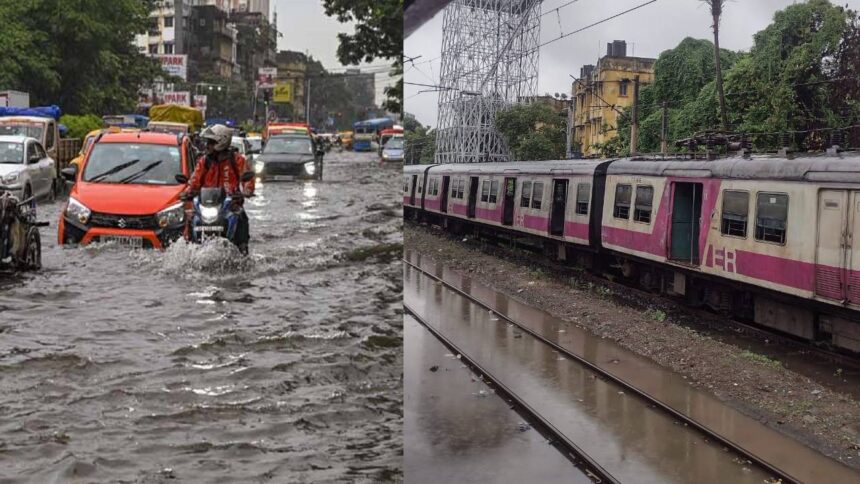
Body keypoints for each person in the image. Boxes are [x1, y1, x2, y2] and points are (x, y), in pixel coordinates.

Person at [183, 124, 252, 253]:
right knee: (190, 218)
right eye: (208, 142)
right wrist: (187, 192)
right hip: (206, 205)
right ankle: (188, 247)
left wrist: (246, 191)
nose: (207, 145)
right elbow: (194, 180)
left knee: (242, 217)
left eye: (211, 142)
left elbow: (247, 180)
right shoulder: (204, 161)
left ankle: (243, 250)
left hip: (230, 205)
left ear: (222, 141)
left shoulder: (237, 160)